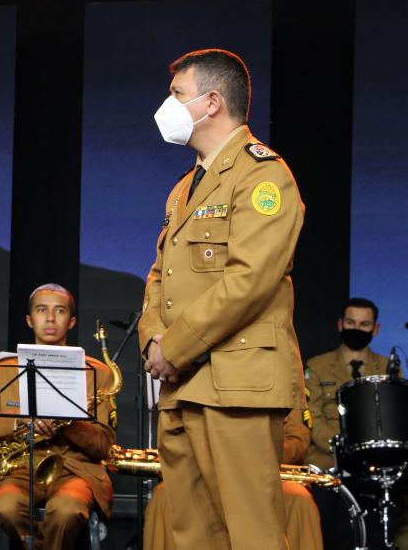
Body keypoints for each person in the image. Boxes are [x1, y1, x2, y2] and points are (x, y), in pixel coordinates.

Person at [139, 48, 305, 549]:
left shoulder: (263, 175)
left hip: (237, 387)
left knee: (251, 535)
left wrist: (174, 347)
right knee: (192, 536)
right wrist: (152, 341)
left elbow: (249, 280)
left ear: (211, 102)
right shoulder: (183, 189)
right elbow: (159, 276)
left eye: (176, 95)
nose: (167, 106)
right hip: (183, 386)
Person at [0, 284, 116, 549]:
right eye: (41, 310)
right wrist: (19, 421)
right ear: (29, 320)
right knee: (7, 507)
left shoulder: (98, 373)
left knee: (67, 511)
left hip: (75, 470)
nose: (50, 318)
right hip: (19, 469)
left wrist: (66, 424)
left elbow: (104, 445)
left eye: (60, 311)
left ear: (72, 321)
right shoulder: (3, 369)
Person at [143, 397, 323, 550]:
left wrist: (252, 456)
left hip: (263, 471)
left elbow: (298, 440)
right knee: (163, 496)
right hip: (203, 466)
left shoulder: (273, 374)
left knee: (300, 499)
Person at [304, 298, 389, 470]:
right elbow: (312, 416)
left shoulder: (387, 367)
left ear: (376, 329)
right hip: (327, 457)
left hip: (376, 459)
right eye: (351, 322)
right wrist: (343, 446)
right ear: (340, 324)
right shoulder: (317, 366)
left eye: (364, 324)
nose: (356, 329)